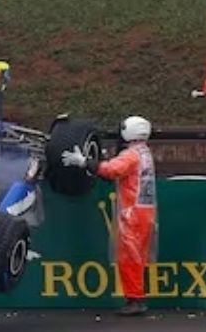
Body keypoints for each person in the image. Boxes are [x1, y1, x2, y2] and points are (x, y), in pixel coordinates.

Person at [61, 115, 157, 316]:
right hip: (145, 211)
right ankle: (137, 297)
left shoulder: (132, 155)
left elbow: (112, 170)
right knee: (137, 257)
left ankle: (135, 300)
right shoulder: (144, 152)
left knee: (128, 258)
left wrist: (85, 162)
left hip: (132, 212)